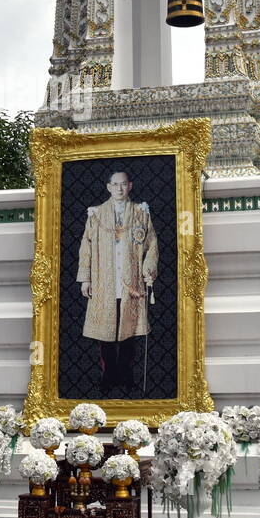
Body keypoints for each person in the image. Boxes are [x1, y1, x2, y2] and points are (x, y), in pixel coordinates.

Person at [77, 168, 159, 396]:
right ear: (109, 187)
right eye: (115, 184)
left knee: (128, 332)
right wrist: (85, 278)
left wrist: (148, 269)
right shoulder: (96, 214)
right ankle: (108, 375)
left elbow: (151, 244)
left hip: (130, 281)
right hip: (104, 281)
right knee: (106, 334)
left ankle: (126, 375)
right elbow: (86, 248)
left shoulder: (141, 212)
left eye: (124, 184)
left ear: (130, 186)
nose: (120, 188)